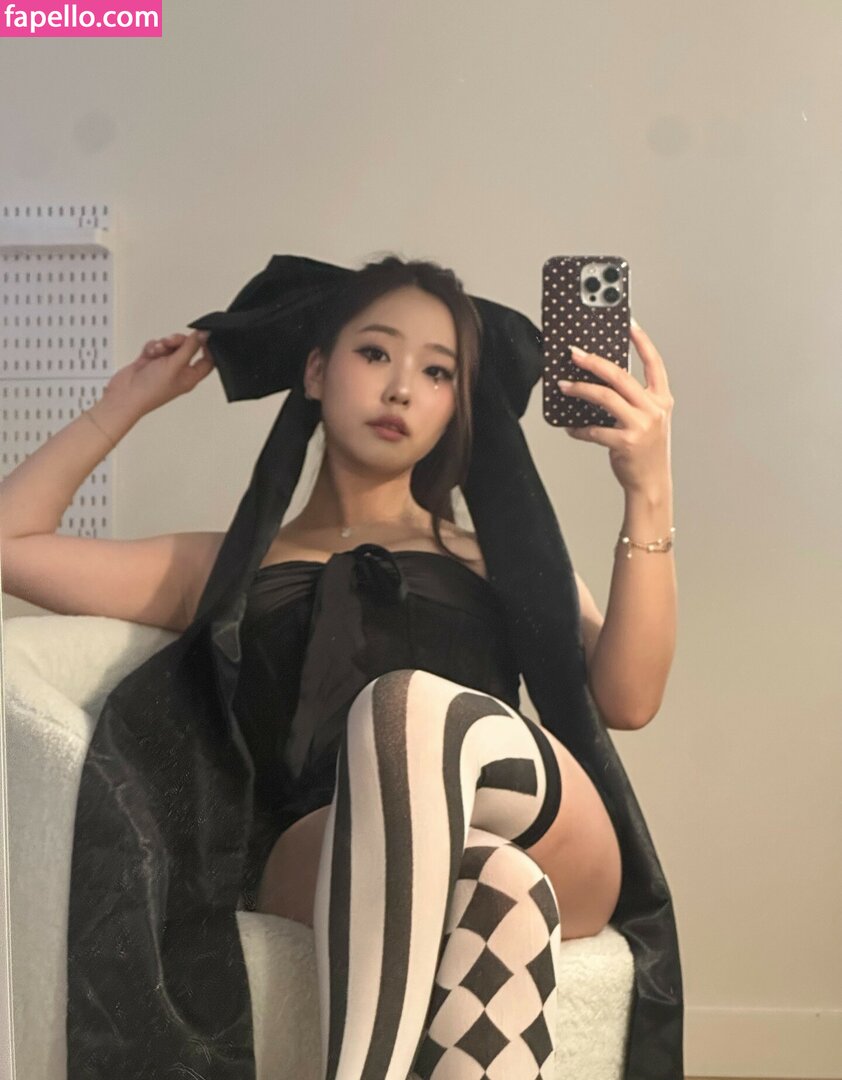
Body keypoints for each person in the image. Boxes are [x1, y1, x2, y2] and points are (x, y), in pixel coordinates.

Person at [0, 253, 681, 1080]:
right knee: (497, 888)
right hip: (319, 847)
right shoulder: (224, 568)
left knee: (411, 709)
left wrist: (648, 487)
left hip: (544, 830)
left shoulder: (503, 559)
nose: (401, 388)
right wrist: (124, 404)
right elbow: (11, 545)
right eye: (375, 352)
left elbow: (629, 699)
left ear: (457, 405)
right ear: (317, 370)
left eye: (437, 372)